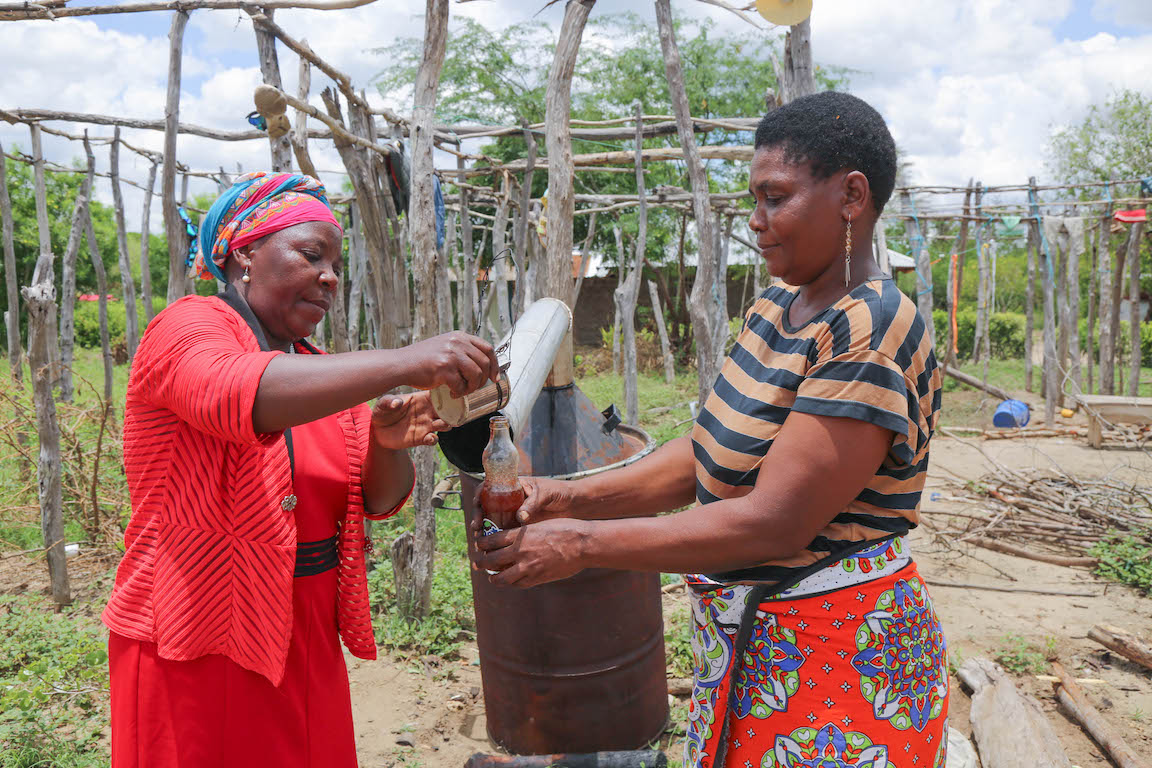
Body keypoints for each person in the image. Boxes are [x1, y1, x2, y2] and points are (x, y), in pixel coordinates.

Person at [475, 92, 948, 768]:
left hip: (839, 665)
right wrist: (564, 495)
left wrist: (581, 543)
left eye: (775, 197)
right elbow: (704, 451)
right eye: (753, 200)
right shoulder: (778, 306)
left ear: (851, 197)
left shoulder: (868, 329)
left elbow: (773, 522)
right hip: (764, 647)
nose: (755, 222)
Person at [102, 171, 500, 767]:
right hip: (199, 628)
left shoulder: (314, 368)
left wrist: (387, 446)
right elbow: (234, 393)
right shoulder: (189, 329)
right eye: (311, 254)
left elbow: (377, 500)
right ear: (244, 255)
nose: (331, 277)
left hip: (305, 626)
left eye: (336, 264)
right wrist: (405, 359)